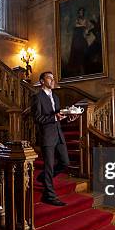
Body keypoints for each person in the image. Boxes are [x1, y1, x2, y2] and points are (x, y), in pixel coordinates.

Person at [31, 71, 79, 206]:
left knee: (65, 162)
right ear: (42, 81)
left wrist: (69, 118)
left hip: (58, 134)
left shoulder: (56, 97)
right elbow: (37, 118)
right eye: (49, 78)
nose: (52, 80)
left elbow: (58, 118)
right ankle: (49, 196)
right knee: (49, 166)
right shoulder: (37, 97)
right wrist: (54, 117)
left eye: (53, 78)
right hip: (47, 136)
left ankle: (43, 178)